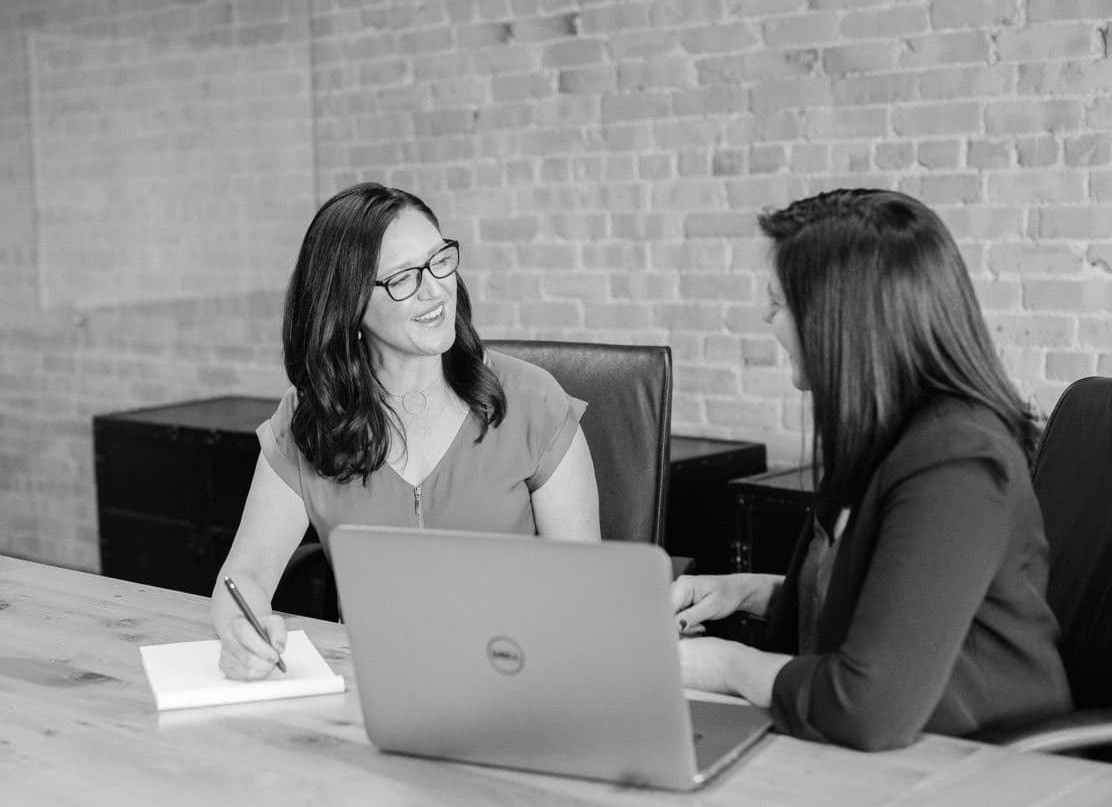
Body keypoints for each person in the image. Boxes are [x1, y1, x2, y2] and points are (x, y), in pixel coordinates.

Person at [672, 188, 1072, 750]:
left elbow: (868, 705)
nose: (765, 317)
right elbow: (884, 599)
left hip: (982, 763)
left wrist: (725, 666)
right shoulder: (882, 434)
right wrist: (745, 592)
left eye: (778, 302)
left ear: (840, 320)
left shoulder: (958, 463)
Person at [212, 182, 600, 679]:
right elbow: (243, 575)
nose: (436, 288)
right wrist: (242, 634)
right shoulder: (309, 423)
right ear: (348, 305)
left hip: (516, 680)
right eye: (402, 278)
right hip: (371, 690)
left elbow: (585, 595)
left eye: (440, 260)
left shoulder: (532, 402)